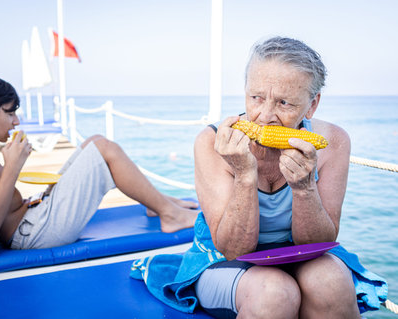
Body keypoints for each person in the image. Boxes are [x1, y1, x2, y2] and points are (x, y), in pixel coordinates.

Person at [130, 36, 387, 318]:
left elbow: (319, 242)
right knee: (274, 293)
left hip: (302, 255)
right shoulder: (211, 143)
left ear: (312, 105)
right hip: (224, 260)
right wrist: (244, 176)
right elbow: (232, 248)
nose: (265, 116)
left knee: (332, 284)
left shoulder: (333, 142)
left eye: (284, 103)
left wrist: (303, 188)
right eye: (256, 98)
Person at [0, 74, 198, 249]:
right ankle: (169, 214)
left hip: (33, 218)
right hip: (32, 234)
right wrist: (13, 167)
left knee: (94, 141)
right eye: (10, 112)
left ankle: (159, 202)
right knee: (104, 149)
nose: (16, 122)